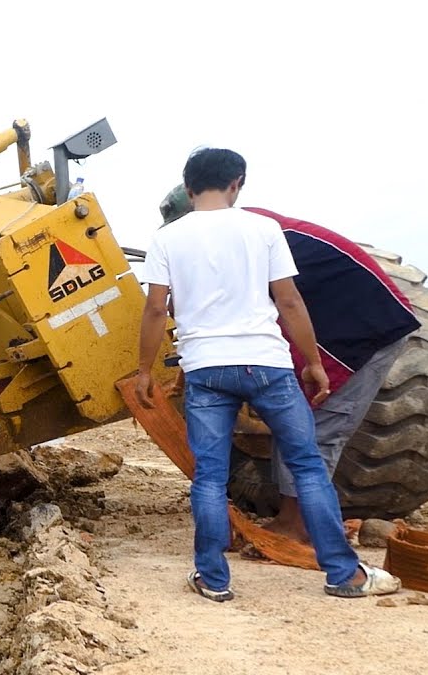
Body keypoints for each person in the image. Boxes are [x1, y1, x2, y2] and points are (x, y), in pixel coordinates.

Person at [135, 147, 400, 601]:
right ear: (237, 183)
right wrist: (314, 363)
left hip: (207, 370)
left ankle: (214, 581)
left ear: (189, 185)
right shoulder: (264, 229)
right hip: (268, 365)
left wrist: (144, 370)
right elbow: (290, 301)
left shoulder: (168, 239)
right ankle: (345, 575)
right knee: (309, 467)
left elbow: (158, 307)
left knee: (210, 477)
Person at [159, 185, 420, 544]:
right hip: (338, 322)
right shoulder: (256, 230)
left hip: (364, 330)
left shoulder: (249, 239)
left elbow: (276, 303)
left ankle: (297, 528)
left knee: (318, 426)